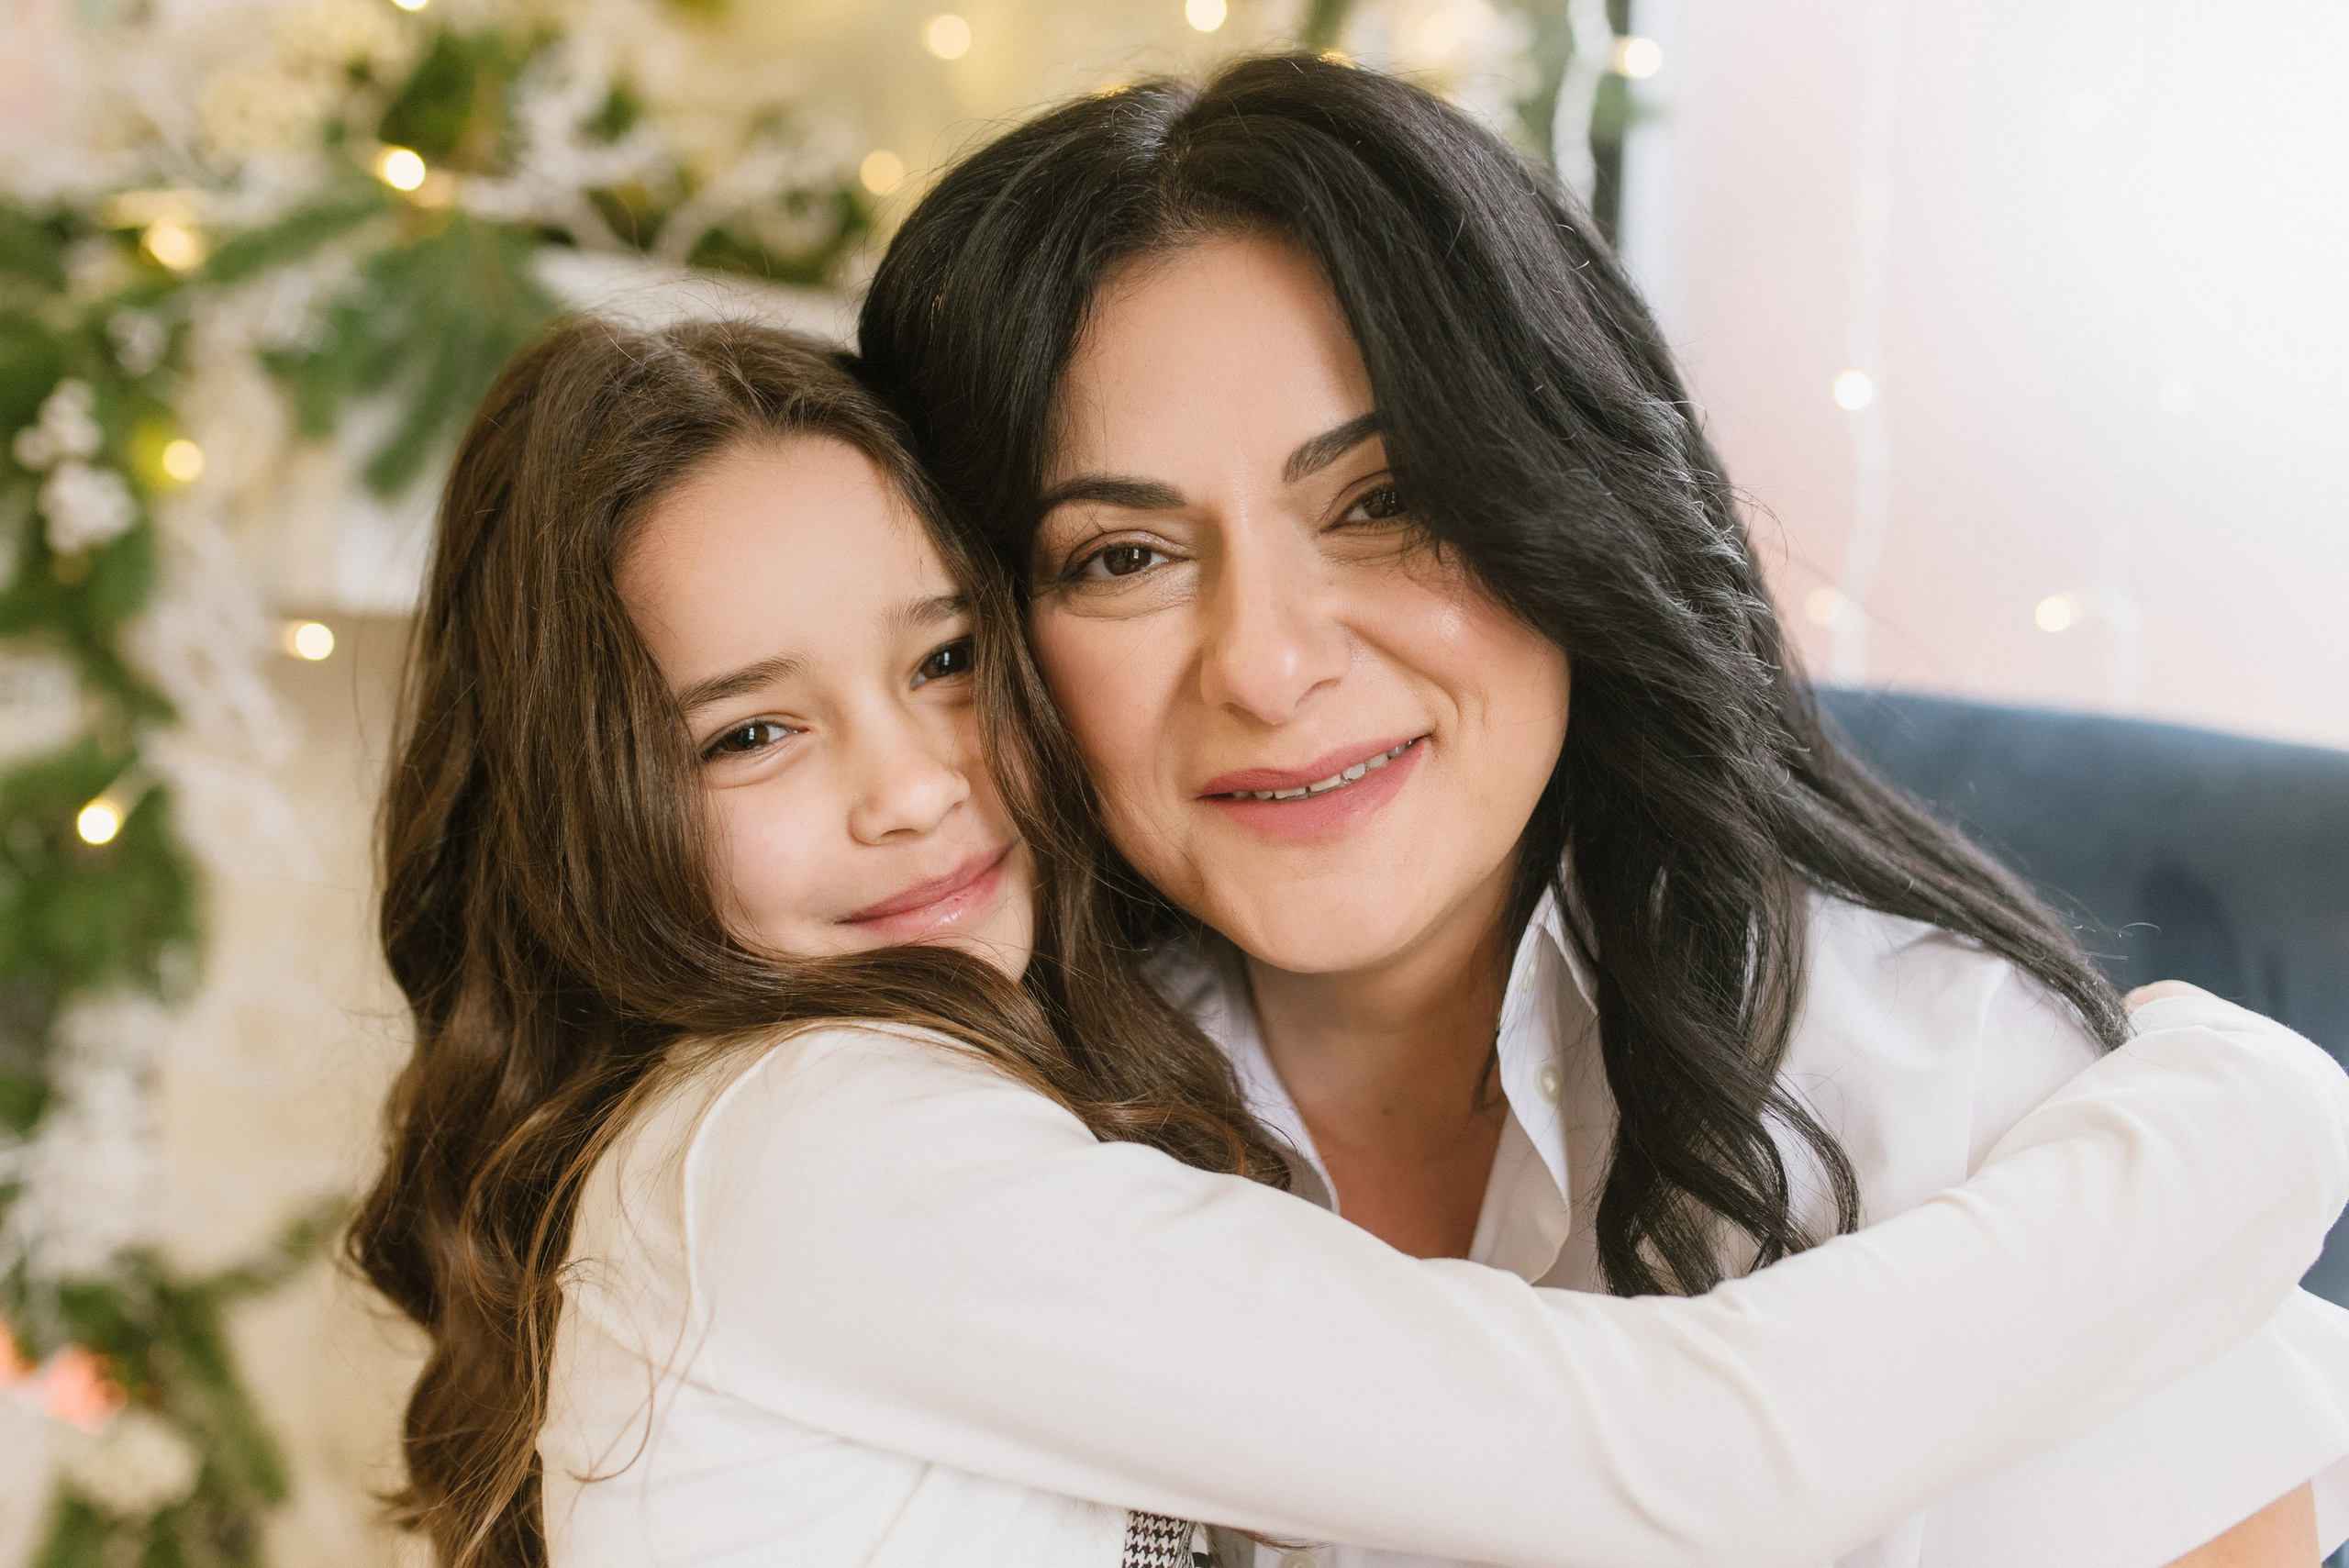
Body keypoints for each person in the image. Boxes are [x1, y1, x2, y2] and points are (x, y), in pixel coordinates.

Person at [345, 313, 2349, 1568]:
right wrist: (2250, 1095)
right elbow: (1697, 1459)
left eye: (945, 661)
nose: (912, 787)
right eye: (749, 733)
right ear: (586, 805)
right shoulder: (815, 1147)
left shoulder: (1012, 1093)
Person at [855, 56, 2349, 1568]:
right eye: (1122, 557)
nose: (1266, 662)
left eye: (1380, 502)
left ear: (1559, 503)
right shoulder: (927, 1139)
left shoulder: (1963, 1095)